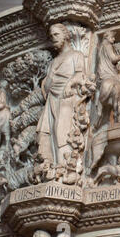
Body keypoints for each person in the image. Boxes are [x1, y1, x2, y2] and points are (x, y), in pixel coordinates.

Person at [36, 24, 86, 165]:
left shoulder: (76, 55)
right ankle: (51, 164)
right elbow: (47, 84)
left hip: (66, 98)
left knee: (62, 130)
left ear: (66, 35)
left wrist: (70, 84)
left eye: (56, 35)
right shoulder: (53, 62)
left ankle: (64, 166)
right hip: (52, 98)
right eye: (51, 36)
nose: (53, 39)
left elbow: (80, 74)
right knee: (46, 132)